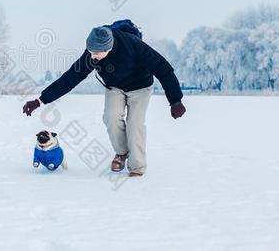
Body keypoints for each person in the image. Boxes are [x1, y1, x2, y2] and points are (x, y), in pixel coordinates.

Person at [22, 25, 186, 177]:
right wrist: (40, 100)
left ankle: (137, 167)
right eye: (90, 52)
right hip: (114, 87)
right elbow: (70, 78)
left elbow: (163, 69)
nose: (92, 57)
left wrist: (175, 100)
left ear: (109, 48)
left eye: (97, 54)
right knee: (110, 116)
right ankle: (122, 153)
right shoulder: (92, 53)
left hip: (140, 88)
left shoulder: (134, 46)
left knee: (135, 124)